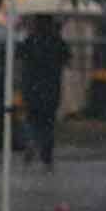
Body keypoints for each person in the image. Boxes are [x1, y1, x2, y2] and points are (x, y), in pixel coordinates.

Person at [19, 15, 70, 169]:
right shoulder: (56, 42)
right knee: (48, 122)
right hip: (51, 87)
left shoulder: (30, 41)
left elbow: (20, 58)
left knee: (32, 119)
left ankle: (31, 144)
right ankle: (46, 155)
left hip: (31, 87)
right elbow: (67, 59)